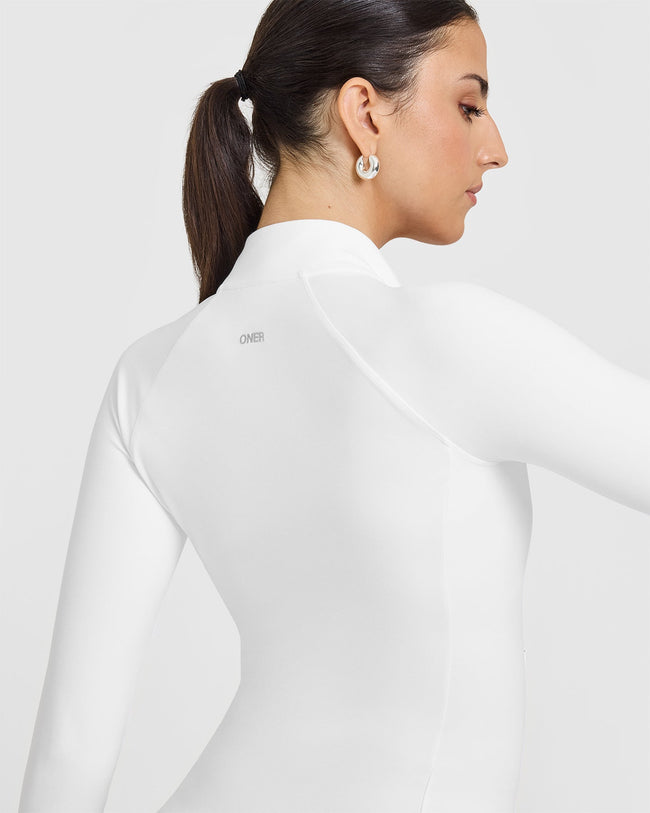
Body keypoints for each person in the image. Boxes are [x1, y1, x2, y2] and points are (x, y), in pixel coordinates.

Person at [18, 0, 650, 811]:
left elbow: (69, 751)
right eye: (469, 105)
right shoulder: (450, 340)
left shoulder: (151, 374)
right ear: (363, 112)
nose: (496, 147)